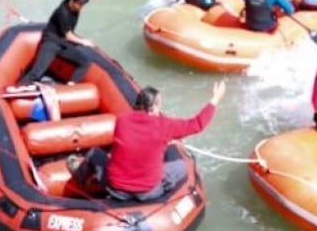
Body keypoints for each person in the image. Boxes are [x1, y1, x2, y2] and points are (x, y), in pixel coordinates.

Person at [93, 80, 225, 201]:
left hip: (116, 188)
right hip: (147, 191)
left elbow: (131, 143)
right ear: (152, 108)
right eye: (159, 105)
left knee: (95, 154)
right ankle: (165, 198)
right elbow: (197, 124)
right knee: (181, 167)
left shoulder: (122, 120)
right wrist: (215, 99)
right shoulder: (163, 126)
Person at [14, 0, 112, 87]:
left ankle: (71, 84)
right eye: (79, 5)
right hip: (51, 42)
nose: (81, 8)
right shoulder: (62, 12)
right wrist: (84, 41)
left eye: (82, 5)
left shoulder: (79, 1)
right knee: (37, 72)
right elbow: (69, 35)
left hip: (63, 43)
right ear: (72, 2)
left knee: (85, 62)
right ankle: (19, 87)